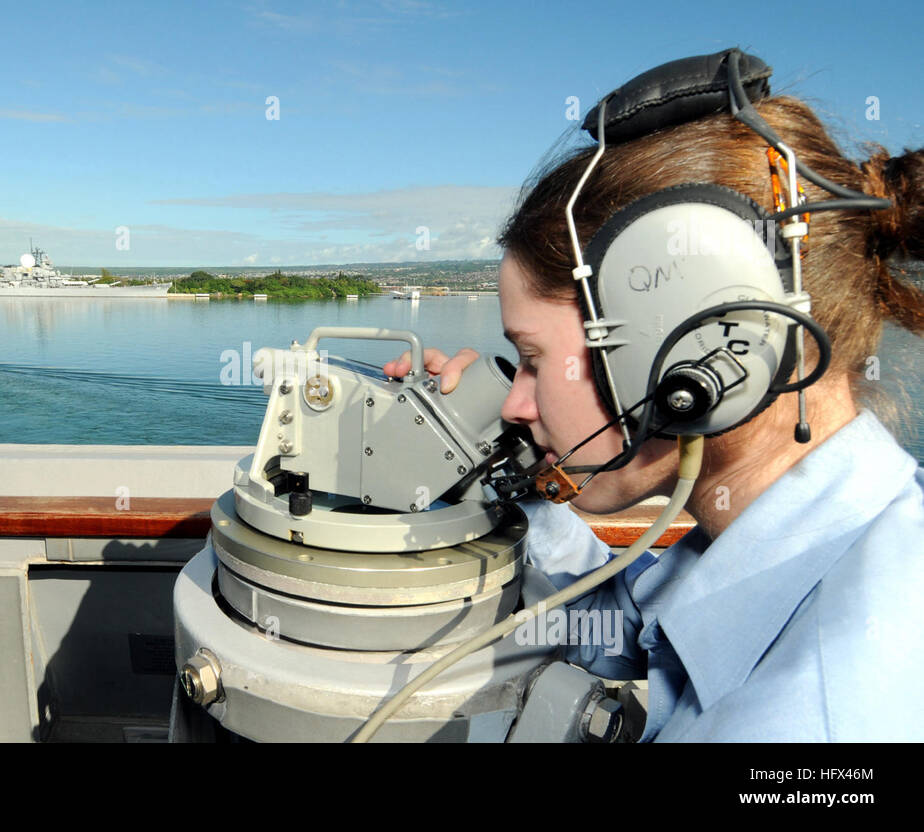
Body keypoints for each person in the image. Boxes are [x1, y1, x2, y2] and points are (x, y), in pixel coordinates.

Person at [383, 52, 924, 741]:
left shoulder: (809, 725)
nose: (516, 404)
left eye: (530, 359)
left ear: (676, 346)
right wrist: (467, 458)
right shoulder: (780, 540)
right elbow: (611, 618)